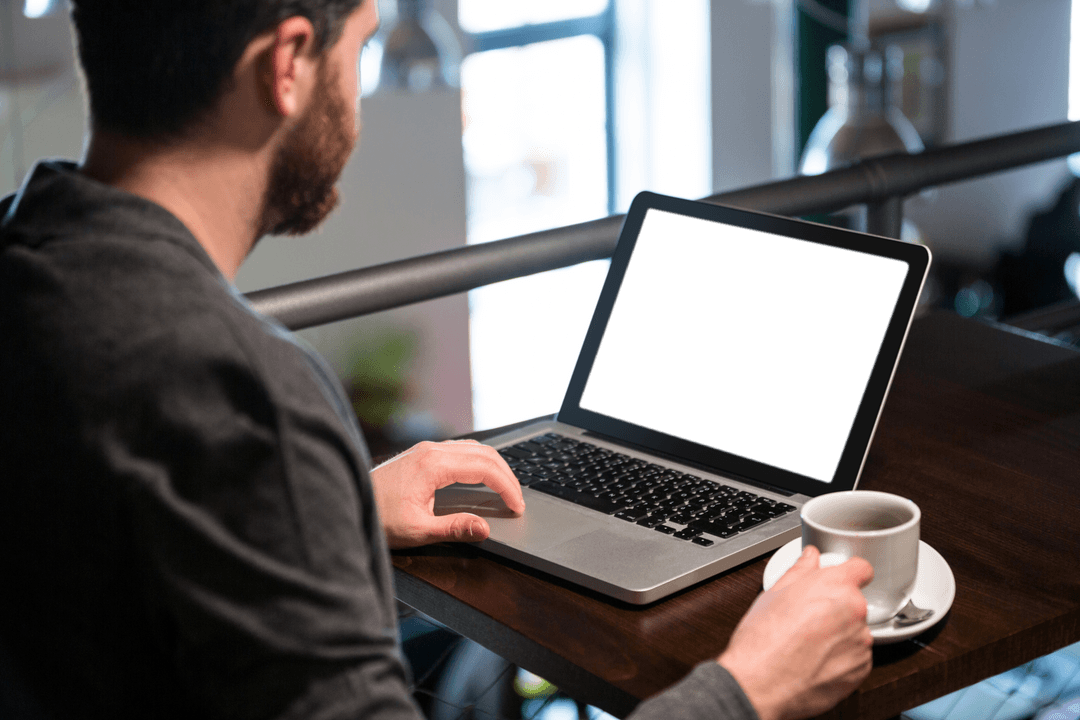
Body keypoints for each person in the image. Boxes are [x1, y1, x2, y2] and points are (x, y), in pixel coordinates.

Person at [0, 1, 875, 719]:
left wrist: (329, 512)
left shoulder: (28, 264)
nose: (361, 97)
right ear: (290, 62)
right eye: (363, 50)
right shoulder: (239, 390)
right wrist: (748, 689)